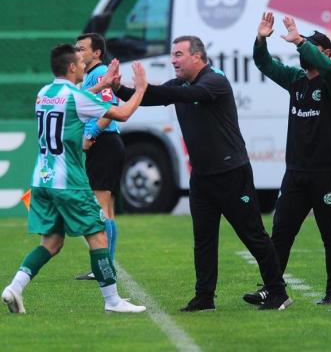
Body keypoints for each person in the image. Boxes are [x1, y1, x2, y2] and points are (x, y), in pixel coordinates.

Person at [113, 35, 292, 311]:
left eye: (178, 54)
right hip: (202, 176)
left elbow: (185, 95)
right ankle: (204, 297)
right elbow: (151, 96)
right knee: (204, 239)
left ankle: (278, 292)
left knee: (253, 235)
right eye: (172, 54)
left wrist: (148, 88)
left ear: (197, 57)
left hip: (232, 173)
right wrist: (121, 88)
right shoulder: (181, 85)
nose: (173, 60)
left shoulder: (215, 81)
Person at [1, 44, 147, 314]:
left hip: (42, 180)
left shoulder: (44, 92)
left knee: (52, 243)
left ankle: (14, 288)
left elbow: (74, 98)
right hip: (68, 181)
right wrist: (140, 89)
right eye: (80, 62)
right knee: (98, 236)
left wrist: (101, 83)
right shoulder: (76, 97)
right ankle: (113, 301)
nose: (83, 66)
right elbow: (123, 114)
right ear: (71, 67)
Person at [244, 12, 331, 306]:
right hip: (296, 172)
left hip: (327, 172)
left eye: (312, 48)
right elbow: (264, 64)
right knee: (281, 231)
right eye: (303, 47)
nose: (303, 53)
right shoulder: (296, 79)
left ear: (325, 53)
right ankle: (271, 287)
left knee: (330, 233)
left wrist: (301, 40)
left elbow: (328, 68)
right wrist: (261, 39)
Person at [74, 33, 124, 281]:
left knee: (101, 207)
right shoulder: (91, 76)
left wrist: (91, 134)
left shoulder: (99, 73)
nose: (77, 52)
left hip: (104, 143)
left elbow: (110, 109)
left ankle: (103, 267)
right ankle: (107, 264)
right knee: (107, 209)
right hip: (107, 144)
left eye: (82, 48)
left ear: (97, 53)